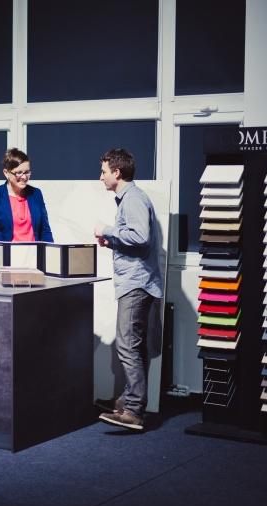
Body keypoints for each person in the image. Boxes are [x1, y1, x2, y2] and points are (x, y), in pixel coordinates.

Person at [94, 148, 163, 431]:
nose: (101, 177)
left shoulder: (133, 199)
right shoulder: (130, 198)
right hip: (139, 282)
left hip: (136, 283)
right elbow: (136, 241)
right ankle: (128, 402)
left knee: (126, 345)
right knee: (135, 345)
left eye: (103, 172)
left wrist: (107, 230)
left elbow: (141, 236)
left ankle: (133, 410)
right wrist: (113, 242)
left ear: (117, 172)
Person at [0, 148, 54, 264]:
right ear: (6, 173)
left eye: (27, 172)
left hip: (34, 262)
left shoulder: (36, 194)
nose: (24, 177)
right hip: (6, 262)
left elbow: (45, 231)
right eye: (19, 173)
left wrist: (50, 261)